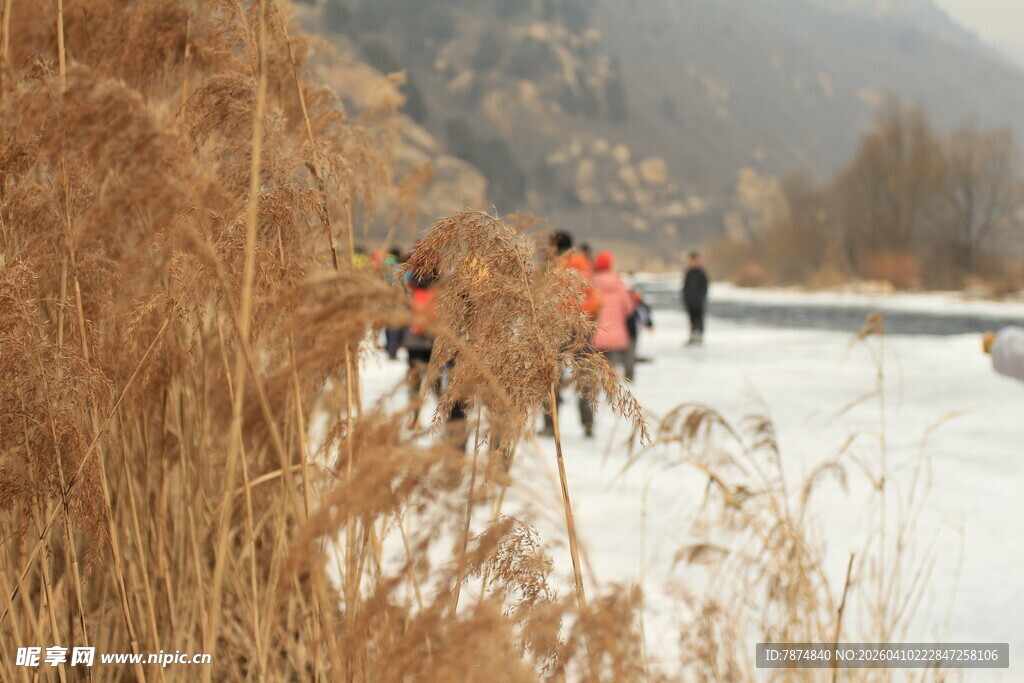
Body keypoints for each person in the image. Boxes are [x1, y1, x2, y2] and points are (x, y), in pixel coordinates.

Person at [540, 230, 602, 438]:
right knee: (584, 374)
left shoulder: (553, 266)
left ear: (554, 247)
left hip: (559, 325)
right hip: (583, 324)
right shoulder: (584, 263)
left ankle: (550, 424)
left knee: (551, 375)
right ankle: (588, 422)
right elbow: (593, 296)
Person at [402, 268, 467, 446]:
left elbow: (404, 317)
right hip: (433, 342)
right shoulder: (439, 293)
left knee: (415, 382)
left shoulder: (412, 291)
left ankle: (415, 419)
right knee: (437, 383)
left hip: (413, 342)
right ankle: (445, 417)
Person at [592, 251, 636, 380]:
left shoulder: (592, 283)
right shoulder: (619, 284)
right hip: (616, 332)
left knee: (594, 364)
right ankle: (610, 385)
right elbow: (629, 308)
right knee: (612, 362)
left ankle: (595, 385)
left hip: (596, 332)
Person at [682, 251, 709, 345]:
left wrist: (700, 298)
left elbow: (704, 287)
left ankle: (699, 337)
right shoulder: (688, 273)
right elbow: (685, 287)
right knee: (692, 320)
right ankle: (692, 336)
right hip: (690, 302)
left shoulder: (701, 273)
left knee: (699, 319)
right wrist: (686, 299)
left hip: (699, 302)